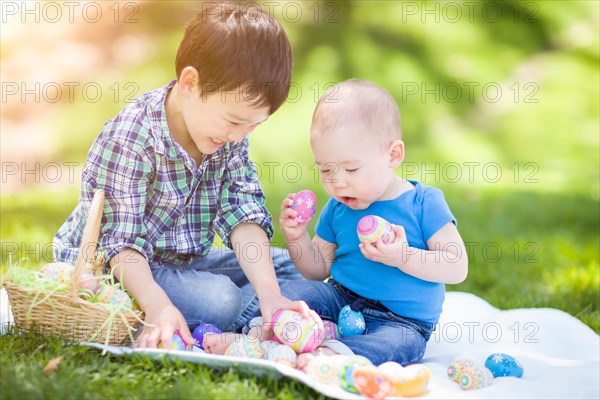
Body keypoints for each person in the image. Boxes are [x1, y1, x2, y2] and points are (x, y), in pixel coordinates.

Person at [53, 2, 308, 349]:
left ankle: (257, 314)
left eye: (253, 125)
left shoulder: (226, 139)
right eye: (234, 121)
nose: (238, 136)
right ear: (190, 83)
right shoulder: (132, 138)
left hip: (182, 262)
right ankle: (205, 314)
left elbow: (242, 213)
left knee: (289, 266)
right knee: (220, 300)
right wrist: (157, 303)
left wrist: (269, 294)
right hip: (117, 268)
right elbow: (120, 246)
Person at [277, 79, 469, 367]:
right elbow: (316, 271)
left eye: (351, 168)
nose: (338, 182)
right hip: (341, 300)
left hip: (402, 322)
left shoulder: (424, 202)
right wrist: (296, 237)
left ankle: (331, 353)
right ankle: (266, 327)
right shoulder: (338, 207)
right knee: (290, 293)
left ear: (392, 155)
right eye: (326, 170)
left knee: (400, 345)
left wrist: (403, 256)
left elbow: (457, 267)